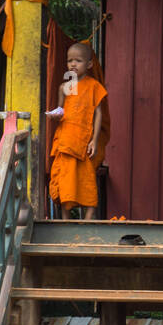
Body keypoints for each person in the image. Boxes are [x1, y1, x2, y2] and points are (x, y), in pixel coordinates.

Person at [47, 41, 107, 220]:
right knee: (65, 181)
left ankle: (89, 219)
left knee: (86, 182)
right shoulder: (64, 88)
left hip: (84, 142)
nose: (73, 64)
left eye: (78, 61)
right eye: (69, 61)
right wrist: (55, 116)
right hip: (66, 141)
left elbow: (98, 114)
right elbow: (60, 110)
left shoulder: (94, 86)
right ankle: (66, 221)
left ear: (89, 64)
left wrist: (94, 140)